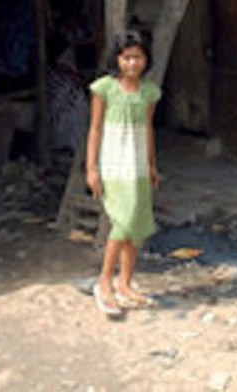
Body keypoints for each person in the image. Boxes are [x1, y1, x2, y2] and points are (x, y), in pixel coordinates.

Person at [85, 31, 162, 317]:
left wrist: (152, 165)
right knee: (123, 222)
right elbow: (95, 129)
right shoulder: (105, 88)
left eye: (137, 57)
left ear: (146, 60)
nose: (132, 63)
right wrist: (91, 168)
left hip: (138, 167)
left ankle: (125, 284)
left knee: (136, 226)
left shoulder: (149, 92)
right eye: (127, 57)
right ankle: (104, 282)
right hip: (114, 167)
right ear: (117, 59)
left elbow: (149, 130)